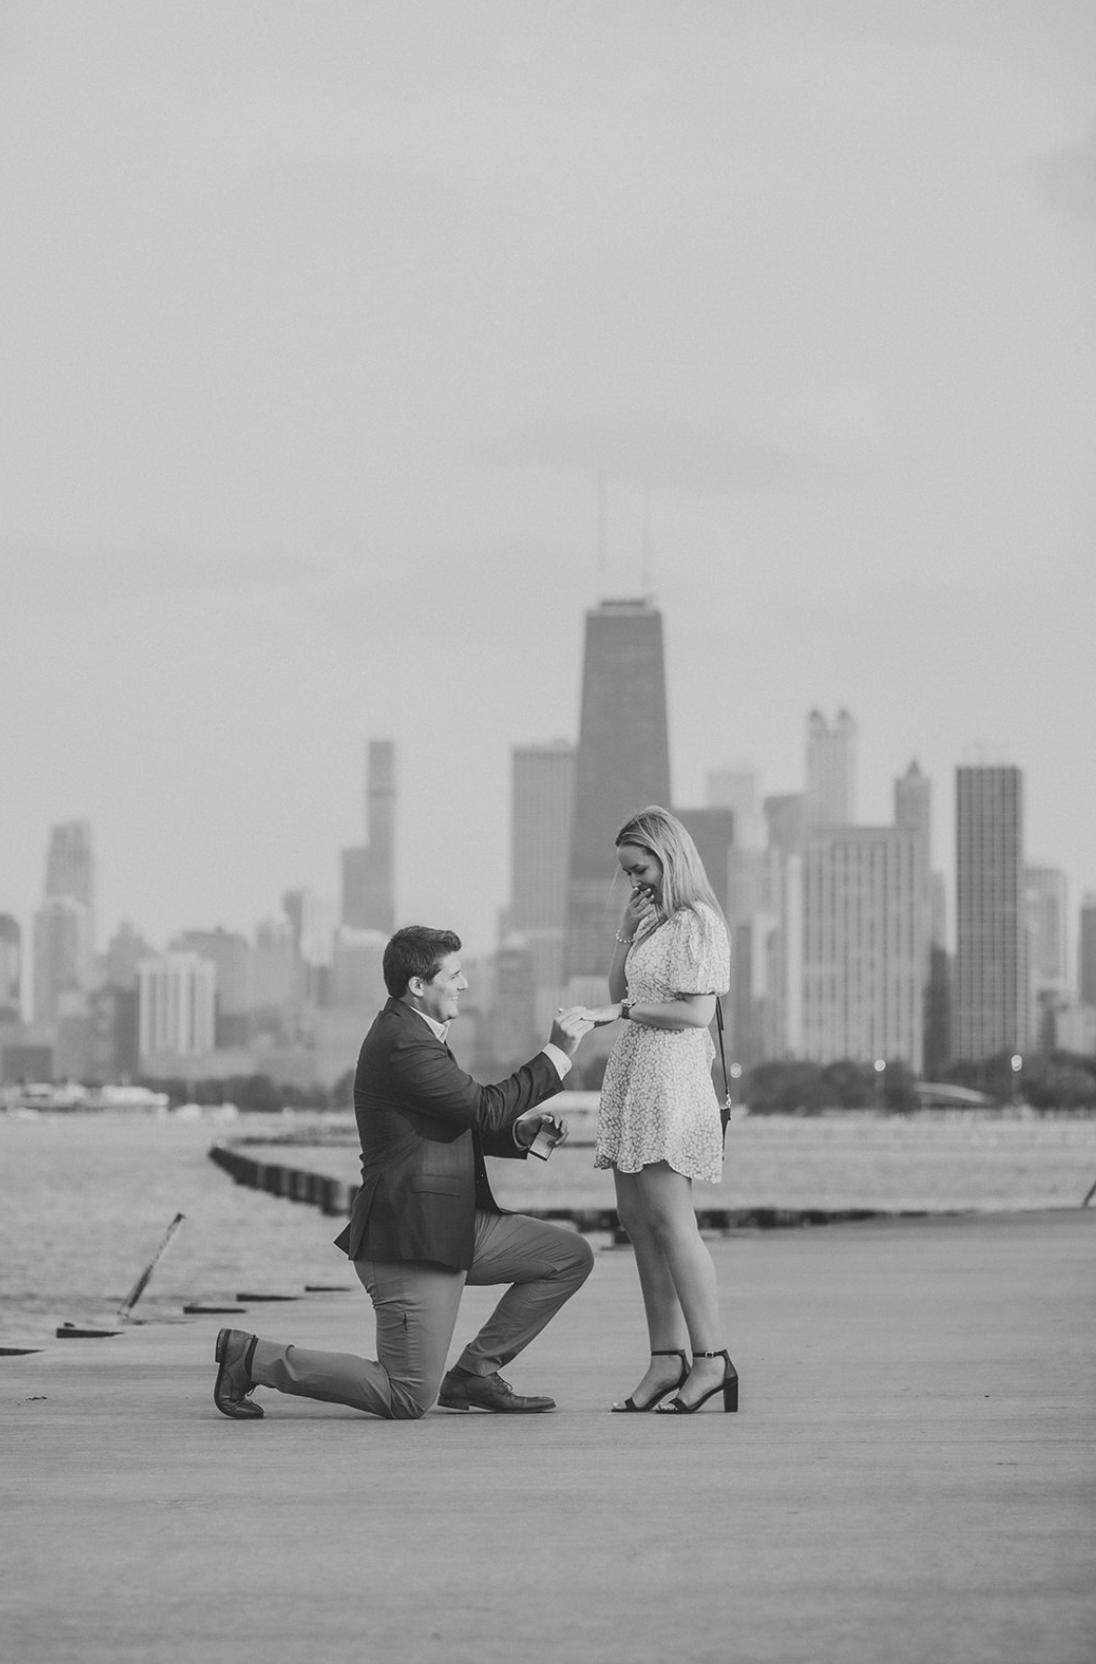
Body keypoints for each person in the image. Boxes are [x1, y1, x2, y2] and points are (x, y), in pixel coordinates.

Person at [213, 925, 595, 1421]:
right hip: (411, 1237)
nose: (463, 986)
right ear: (418, 985)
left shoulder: (417, 1035)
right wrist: (558, 1053)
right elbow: (480, 1107)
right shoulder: (403, 1042)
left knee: (568, 1257)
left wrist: (519, 1135)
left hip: (453, 1224)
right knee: (407, 1396)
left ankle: (475, 1374)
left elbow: (456, 1121)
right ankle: (252, 1358)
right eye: (453, 976)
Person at [578, 806, 737, 1414]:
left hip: (671, 1080)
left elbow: (696, 1013)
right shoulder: (651, 922)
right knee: (639, 1223)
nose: (634, 882)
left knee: (674, 1223)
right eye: (626, 872)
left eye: (639, 869)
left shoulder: (699, 923)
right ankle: (665, 1358)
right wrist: (625, 930)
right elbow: (621, 991)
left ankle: (711, 1360)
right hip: (635, 1076)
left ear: (669, 858)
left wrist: (617, 1016)